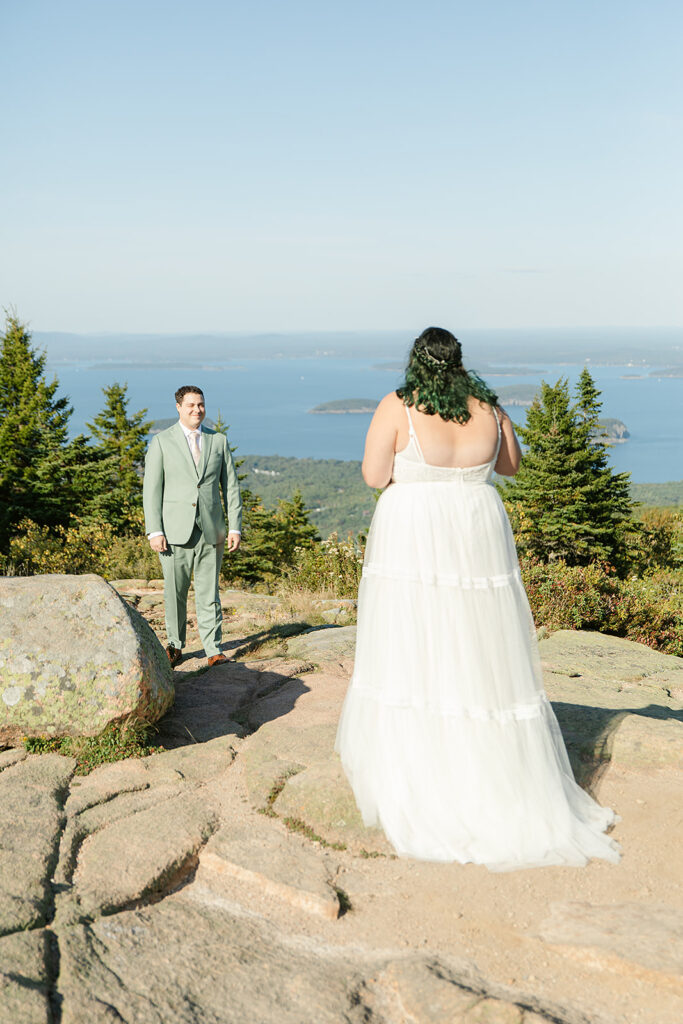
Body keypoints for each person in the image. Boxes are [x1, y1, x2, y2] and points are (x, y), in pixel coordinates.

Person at [335, 328, 620, 870]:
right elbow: (511, 466)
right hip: (474, 529)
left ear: (416, 363)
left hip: (416, 532)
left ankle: (423, 761)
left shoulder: (398, 406)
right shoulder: (488, 408)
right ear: (460, 363)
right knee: (477, 638)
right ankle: (489, 765)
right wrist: (500, 418)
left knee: (417, 635)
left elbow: (375, 477)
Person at [143, 386, 242, 668]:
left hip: (212, 530)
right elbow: (152, 490)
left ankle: (213, 649)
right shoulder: (161, 442)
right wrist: (155, 530)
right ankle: (175, 645)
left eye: (200, 405)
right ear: (178, 407)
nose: (197, 410)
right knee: (174, 592)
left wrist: (234, 527)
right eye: (190, 405)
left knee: (209, 591)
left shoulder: (219, 441)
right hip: (173, 532)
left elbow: (231, 487)